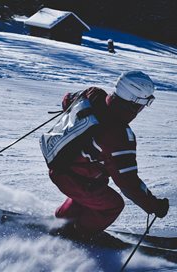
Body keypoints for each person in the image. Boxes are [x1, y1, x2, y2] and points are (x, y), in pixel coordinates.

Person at [44, 71, 169, 239]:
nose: (143, 108)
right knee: (112, 205)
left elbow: (67, 99)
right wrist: (154, 205)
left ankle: (63, 220)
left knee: (95, 186)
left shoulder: (93, 94)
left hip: (59, 164)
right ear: (134, 102)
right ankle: (77, 234)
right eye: (145, 103)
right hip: (75, 178)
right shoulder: (119, 136)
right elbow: (128, 183)